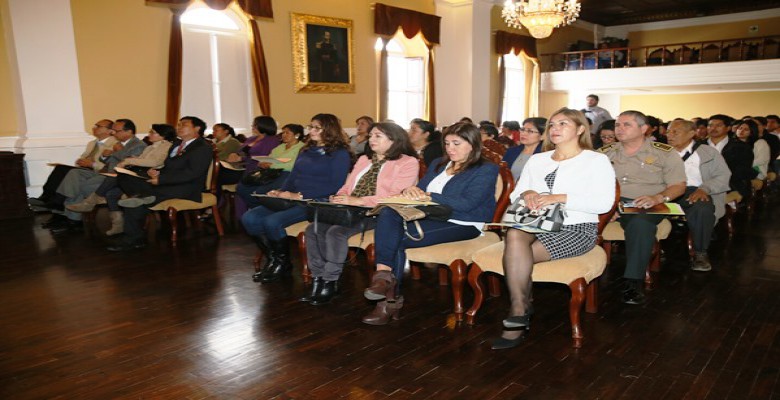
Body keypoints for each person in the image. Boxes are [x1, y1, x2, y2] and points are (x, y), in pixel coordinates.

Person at [491, 108, 615, 350]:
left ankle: (518, 313)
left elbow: (604, 203)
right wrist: (528, 193)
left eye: (563, 124)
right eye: (552, 125)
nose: (555, 129)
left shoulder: (595, 160)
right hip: (535, 223)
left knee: (517, 256)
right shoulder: (538, 159)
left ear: (580, 129)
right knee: (515, 234)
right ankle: (520, 307)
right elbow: (516, 193)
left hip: (576, 228)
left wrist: (558, 197)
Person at [362, 122, 498, 325]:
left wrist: (429, 195)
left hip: (464, 222)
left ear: (472, 144)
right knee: (388, 211)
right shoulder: (438, 164)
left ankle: (388, 301)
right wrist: (411, 191)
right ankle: (383, 278)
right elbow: (421, 189)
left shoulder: (486, 169)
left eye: (456, 143)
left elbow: (468, 203)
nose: (450, 148)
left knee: (395, 239)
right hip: (431, 217)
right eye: (447, 143)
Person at [301, 122, 419, 305]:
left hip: (379, 212)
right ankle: (318, 278)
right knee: (312, 230)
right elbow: (348, 186)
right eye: (371, 136)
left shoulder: (407, 162)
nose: (371, 139)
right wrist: (340, 197)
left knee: (336, 232)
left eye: (377, 136)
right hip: (349, 208)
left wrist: (359, 201)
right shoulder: (364, 159)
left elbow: (395, 196)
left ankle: (331, 281)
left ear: (394, 140)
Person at [244, 113, 351, 283]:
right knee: (250, 218)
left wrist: (300, 195)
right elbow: (293, 176)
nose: (311, 131)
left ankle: (282, 264)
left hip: (315, 201)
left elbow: (335, 186)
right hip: (293, 198)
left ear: (329, 129)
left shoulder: (340, 153)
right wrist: (280, 191)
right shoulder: (306, 150)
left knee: (272, 222)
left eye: (317, 128)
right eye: (311, 127)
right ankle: (275, 260)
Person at [600, 110, 686, 305]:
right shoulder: (604, 152)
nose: (619, 129)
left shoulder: (664, 152)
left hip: (648, 202)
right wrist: (607, 207)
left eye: (626, 124)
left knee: (641, 224)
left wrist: (658, 197)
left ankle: (633, 281)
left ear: (644, 128)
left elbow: (678, 185)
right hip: (610, 201)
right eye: (617, 125)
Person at [107, 116, 213, 251]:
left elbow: (192, 173)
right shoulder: (177, 144)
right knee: (124, 177)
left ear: (197, 128)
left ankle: (133, 237)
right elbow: (169, 167)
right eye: (179, 124)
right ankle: (142, 197)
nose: (179, 127)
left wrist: (161, 180)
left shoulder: (202, 147)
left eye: (184, 125)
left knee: (135, 201)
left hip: (187, 187)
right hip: (168, 183)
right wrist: (157, 173)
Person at [66, 124, 176, 236]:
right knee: (111, 193)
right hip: (139, 175)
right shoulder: (150, 147)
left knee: (116, 176)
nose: (149, 134)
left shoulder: (166, 146)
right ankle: (118, 225)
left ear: (162, 135)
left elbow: (154, 162)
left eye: (153, 132)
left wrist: (128, 160)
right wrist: (133, 159)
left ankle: (91, 201)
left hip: (149, 177)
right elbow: (141, 160)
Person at [50, 119, 146, 234]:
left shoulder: (138, 145)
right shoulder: (119, 143)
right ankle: (65, 212)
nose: (114, 133)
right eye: (113, 131)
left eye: (117, 131)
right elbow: (108, 162)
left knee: (80, 185)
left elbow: (130, 164)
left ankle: (71, 218)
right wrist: (105, 156)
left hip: (118, 177)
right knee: (74, 174)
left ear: (129, 132)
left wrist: (116, 152)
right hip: (106, 172)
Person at [666, 120, 731, 272]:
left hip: (694, 191)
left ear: (691, 134)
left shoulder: (708, 152)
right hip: (666, 191)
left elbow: (723, 175)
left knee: (702, 208)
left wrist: (705, 188)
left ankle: (701, 253)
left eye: (675, 132)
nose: (669, 135)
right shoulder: (661, 152)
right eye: (668, 131)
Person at [32, 120, 117, 227]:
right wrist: (81, 161)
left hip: (98, 172)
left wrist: (92, 164)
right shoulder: (92, 143)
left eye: (98, 126)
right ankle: (55, 208)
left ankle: (56, 206)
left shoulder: (115, 145)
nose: (94, 128)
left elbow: (110, 167)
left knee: (69, 175)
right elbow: (83, 158)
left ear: (110, 131)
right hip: (84, 170)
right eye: (95, 125)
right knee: (62, 170)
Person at [236, 124, 306, 211]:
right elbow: (270, 158)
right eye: (283, 132)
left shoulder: (302, 148)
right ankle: (257, 208)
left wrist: (271, 164)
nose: (283, 135)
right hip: (271, 172)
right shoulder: (279, 147)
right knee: (242, 188)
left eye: (287, 133)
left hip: (287, 174)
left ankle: (262, 210)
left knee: (260, 192)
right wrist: (262, 163)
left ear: (297, 135)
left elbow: (294, 164)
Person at [231, 116, 281, 217]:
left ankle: (254, 212)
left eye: (255, 125)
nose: (252, 126)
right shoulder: (252, 138)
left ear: (263, 126)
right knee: (238, 188)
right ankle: (242, 216)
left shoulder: (272, 140)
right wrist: (236, 155)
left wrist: (243, 158)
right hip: (246, 168)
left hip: (260, 170)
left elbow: (265, 157)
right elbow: (241, 151)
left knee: (242, 189)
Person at [707, 114, 754, 199]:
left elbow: (742, 172)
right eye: (710, 125)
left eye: (718, 125)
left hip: (731, 186)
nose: (713, 128)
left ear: (728, 128)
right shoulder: (698, 145)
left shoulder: (741, 147)